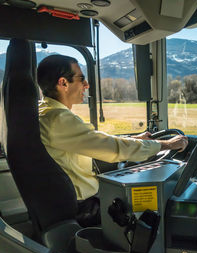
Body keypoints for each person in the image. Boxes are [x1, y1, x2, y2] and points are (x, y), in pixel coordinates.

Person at [37, 55, 188, 226]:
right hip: (84, 209)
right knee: (153, 212)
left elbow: (95, 140)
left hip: (72, 202)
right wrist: (166, 145)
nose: (86, 85)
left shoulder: (44, 112)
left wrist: (133, 139)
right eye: (82, 79)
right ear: (63, 83)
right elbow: (114, 149)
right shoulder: (58, 120)